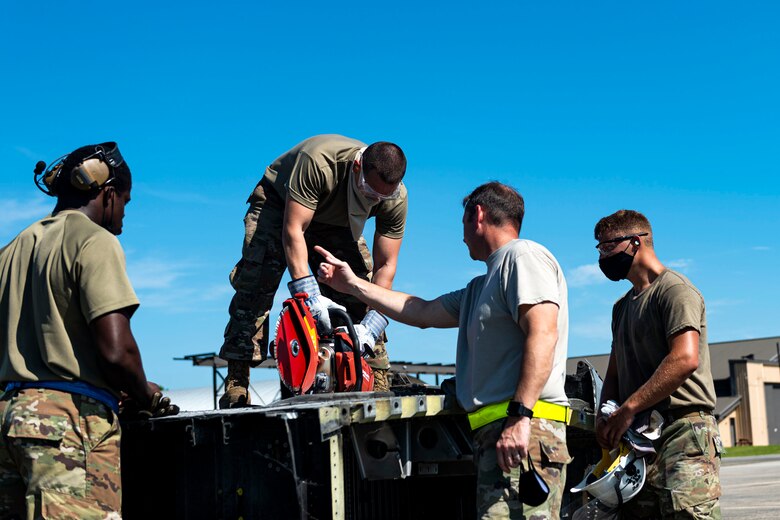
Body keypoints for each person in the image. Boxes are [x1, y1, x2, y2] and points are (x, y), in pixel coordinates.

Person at [316, 182, 571, 519]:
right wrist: (352, 285)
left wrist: (520, 417)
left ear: (477, 216)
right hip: (503, 434)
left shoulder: (522, 257)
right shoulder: (481, 286)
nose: (462, 236)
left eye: (462, 224)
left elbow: (543, 334)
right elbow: (419, 311)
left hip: (525, 432)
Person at [0, 142, 177, 518]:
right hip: (67, 426)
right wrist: (146, 394)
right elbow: (117, 351)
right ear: (108, 193)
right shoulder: (94, 240)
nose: (125, 214)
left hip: (8, 423)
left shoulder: (11, 250)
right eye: (126, 202)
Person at [219, 134, 407, 407]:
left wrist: (371, 324)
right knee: (256, 282)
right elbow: (293, 230)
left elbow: (386, 265)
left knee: (357, 286)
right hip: (280, 203)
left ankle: (376, 376)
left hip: (338, 222)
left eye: (381, 196)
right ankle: (237, 383)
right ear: (357, 167)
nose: (374, 200)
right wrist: (310, 297)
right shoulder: (319, 162)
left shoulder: (396, 197)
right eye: (369, 192)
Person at [593, 209, 722, 518]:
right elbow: (615, 369)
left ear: (635, 242)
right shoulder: (621, 307)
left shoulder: (675, 290)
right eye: (599, 248)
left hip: (682, 430)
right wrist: (605, 412)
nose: (602, 256)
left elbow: (684, 359)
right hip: (637, 438)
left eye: (608, 246)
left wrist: (628, 409)